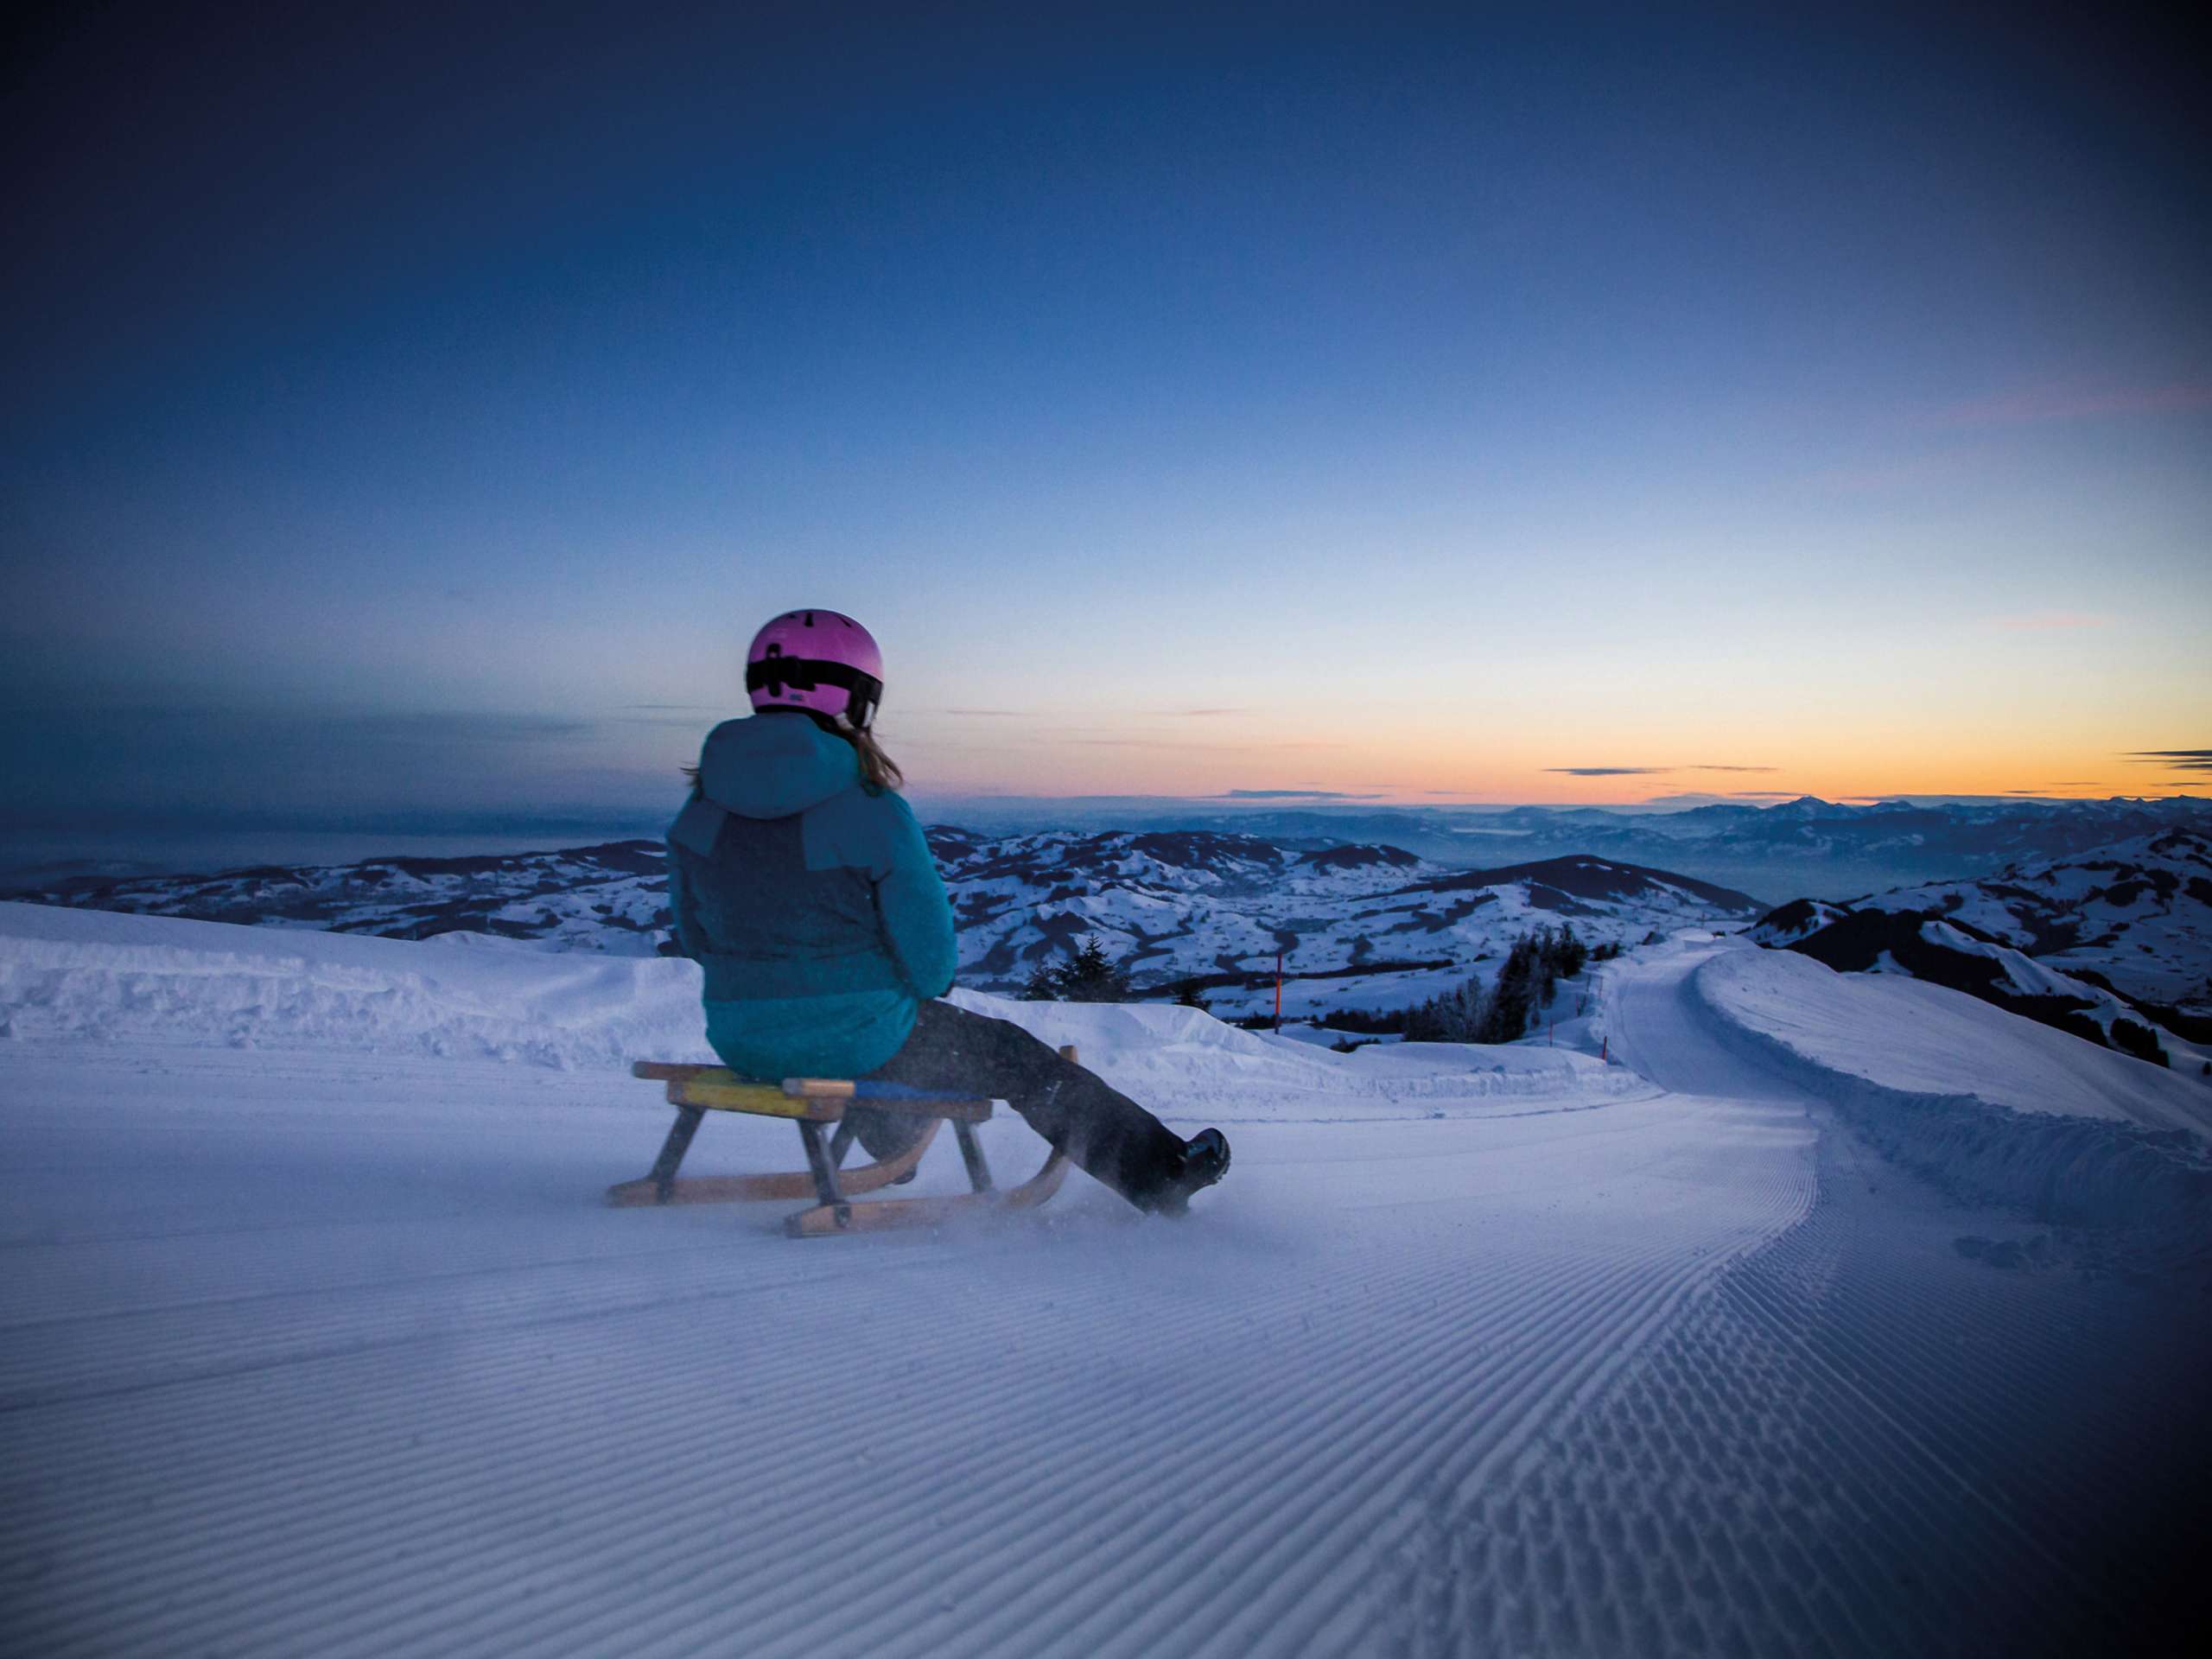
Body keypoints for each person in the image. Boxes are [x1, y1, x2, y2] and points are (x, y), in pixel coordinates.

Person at [664, 608, 1230, 1217]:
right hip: (858, 1043)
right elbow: (932, 968)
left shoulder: (698, 814)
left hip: (741, 1039)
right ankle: (1159, 1175)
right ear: (855, 700)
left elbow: (696, 941)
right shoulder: (871, 809)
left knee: (913, 1041)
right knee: (1015, 1057)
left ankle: (890, 1138)